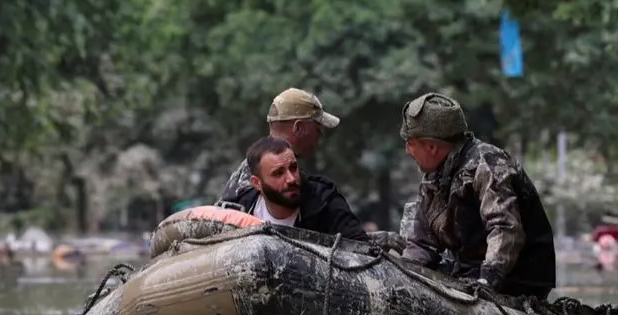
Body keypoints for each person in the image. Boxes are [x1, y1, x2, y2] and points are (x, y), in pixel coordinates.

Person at [397, 91, 557, 298]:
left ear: (431, 147)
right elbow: (421, 243)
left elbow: (504, 227)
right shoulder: (434, 176)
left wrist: (487, 280)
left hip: (515, 279)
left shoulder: (488, 164)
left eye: (410, 143)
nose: (407, 151)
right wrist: (404, 272)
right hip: (467, 272)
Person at [223, 136, 370, 239]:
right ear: (257, 183)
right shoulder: (240, 209)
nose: (291, 179)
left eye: (293, 168)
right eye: (278, 173)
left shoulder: (324, 201)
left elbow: (360, 248)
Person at [216, 88, 343, 201]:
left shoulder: (252, 167)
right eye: (317, 128)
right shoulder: (267, 184)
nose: (320, 135)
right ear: (298, 128)